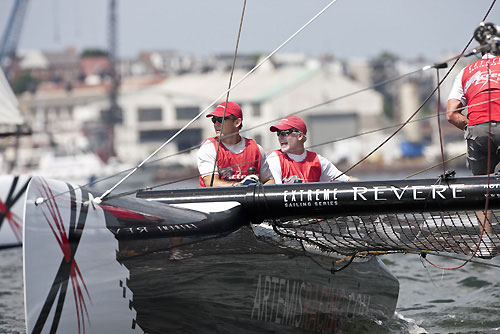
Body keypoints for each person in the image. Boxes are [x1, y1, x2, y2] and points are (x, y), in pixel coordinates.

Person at [446, 51, 500, 258]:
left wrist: (475, 126)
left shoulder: (465, 71)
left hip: (477, 130)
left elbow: (451, 114)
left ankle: (485, 242)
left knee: (481, 187)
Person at [197, 101, 274, 187]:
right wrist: (240, 186)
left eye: (220, 120)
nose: (216, 124)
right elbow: (211, 183)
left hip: (249, 200)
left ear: (237, 122)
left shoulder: (256, 149)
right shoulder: (208, 148)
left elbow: (269, 180)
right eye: (214, 120)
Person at [267, 115, 357, 183]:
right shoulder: (274, 159)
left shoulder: (317, 160)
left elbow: (347, 180)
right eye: (278, 133)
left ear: (299, 136)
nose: (280, 137)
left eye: (284, 133)